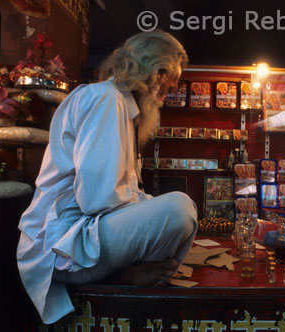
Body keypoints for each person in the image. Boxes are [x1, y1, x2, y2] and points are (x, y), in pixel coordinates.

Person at [16, 30, 197, 325]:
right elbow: (97, 200)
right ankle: (133, 270)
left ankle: (135, 269)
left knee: (177, 214)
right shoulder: (104, 99)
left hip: (85, 237)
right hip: (64, 245)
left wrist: (145, 209)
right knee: (180, 208)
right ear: (152, 70)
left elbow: (120, 196)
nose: (169, 91)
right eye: (167, 79)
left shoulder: (121, 107)